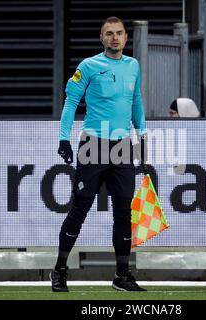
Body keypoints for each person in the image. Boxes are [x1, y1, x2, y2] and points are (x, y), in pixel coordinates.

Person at [51, 16, 147, 292]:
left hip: (122, 146)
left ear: (126, 37)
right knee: (81, 207)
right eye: (108, 33)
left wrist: (143, 134)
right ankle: (59, 271)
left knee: (123, 213)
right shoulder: (88, 66)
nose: (114, 37)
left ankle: (121, 276)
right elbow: (70, 103)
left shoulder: (133, 66)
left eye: (118, 33)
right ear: (101, 38)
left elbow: (136, 99)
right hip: (93, 144)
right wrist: (63, 139)